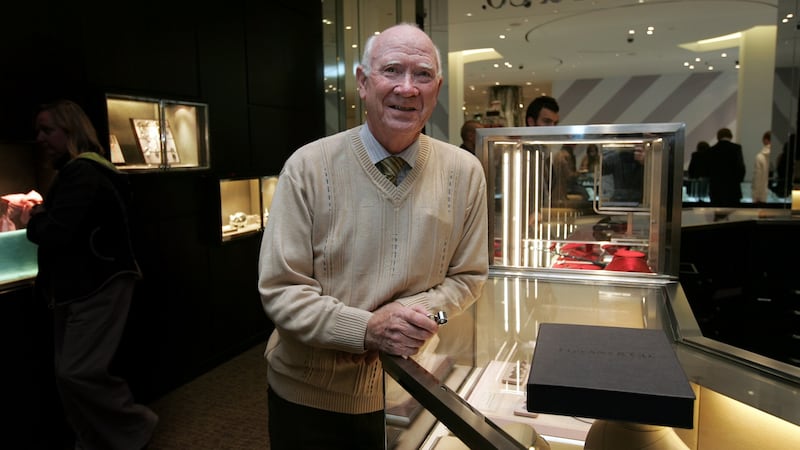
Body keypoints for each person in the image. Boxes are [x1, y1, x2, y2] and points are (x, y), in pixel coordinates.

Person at [257, 23, 489, 450]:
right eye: (392, 70)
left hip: (415, 389)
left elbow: (469, 280)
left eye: (422, 75)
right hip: (309, 399)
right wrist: (367, 329)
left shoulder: (465, 172)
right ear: (363, 83)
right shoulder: (308, 168)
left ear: (437, 89)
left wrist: (421, 316)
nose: (408, 87)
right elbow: (281, 292)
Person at [24, 99, 158, 450]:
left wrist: (33, 216)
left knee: (76, 372)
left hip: (96, 283)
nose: (40, 138)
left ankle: (136, 427)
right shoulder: (83, 171)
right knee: (68, 374)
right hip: (80, 285)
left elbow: (56, 231)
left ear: (70, 130)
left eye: (47, 130)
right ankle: (94, 440)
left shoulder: (82, 172)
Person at [707, 127, 746, 206]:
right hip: (733, 189)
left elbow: (708, 170)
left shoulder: (712, 150)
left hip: (716, 189)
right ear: (730, 136)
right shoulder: (736, 148)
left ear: (718, 137)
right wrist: (739, 180)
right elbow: (740, 168)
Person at [751, 130, 771, 204]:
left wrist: (756, 196)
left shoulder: (760, 157)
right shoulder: (781, 155)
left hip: (761, 195)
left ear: (765, 140)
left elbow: (757, 177)